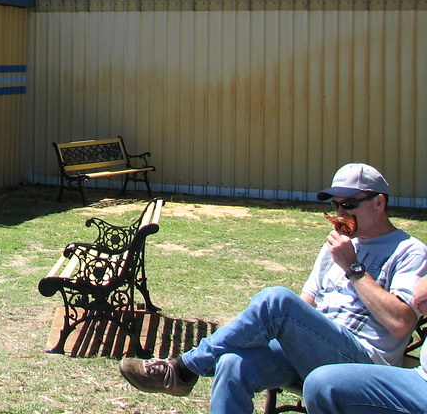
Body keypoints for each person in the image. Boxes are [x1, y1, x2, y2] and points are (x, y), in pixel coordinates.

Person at [119, 163, 427, 414]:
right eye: (335, 205)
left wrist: (355, 268)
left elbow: (401, 324)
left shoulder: (408, 251)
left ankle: (185, 368)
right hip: (315, 350)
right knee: (232, 362)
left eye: (349, 204)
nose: (340, 213)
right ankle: (186, 369)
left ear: (379, 202)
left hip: (364, 364)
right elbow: (305, 304)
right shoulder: (338, 246)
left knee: (275, 300)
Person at [300, 273, 427, 414]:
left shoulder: (413, 252)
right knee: (322, 384)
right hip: (421, 376)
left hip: (366, 353)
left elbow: (401, 321)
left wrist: (353, 268)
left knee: (279, 301)